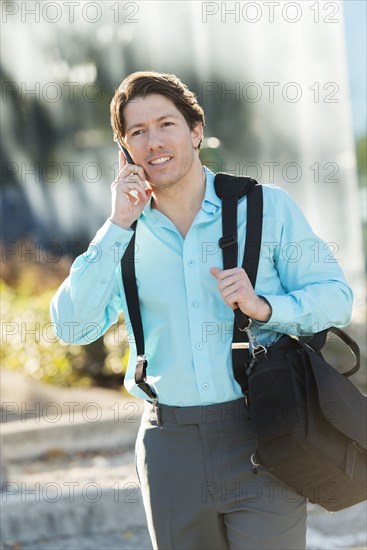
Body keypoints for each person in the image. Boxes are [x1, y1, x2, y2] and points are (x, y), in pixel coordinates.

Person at [50, 71, 353, 550]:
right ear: (124, 150)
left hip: (264, 433)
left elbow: (336, 296)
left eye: (166, 124)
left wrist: (265, 306)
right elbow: (71, 325)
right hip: (169, 448)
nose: (154, 141)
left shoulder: (265, 207)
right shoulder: (121, 235)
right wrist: (116, 225)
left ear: (195, 131)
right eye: (137, 132)